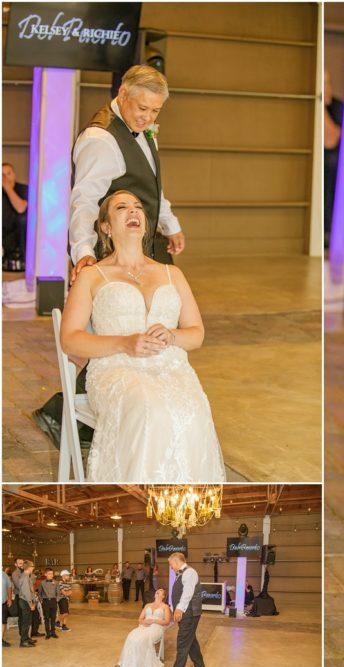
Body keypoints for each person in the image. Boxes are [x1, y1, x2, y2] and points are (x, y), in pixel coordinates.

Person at [33, 64, 186, 450]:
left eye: (155, 112)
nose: (148, 118)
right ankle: (66, 412)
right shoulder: (101, 139)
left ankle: (76, 412)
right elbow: (83, 201)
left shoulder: (141, 130)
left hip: (143, 245)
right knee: (109, 332)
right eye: (142, 109)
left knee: (140, 327)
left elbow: (153, 187)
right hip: (112, 249)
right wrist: (84, 253)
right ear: (122, 93)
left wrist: (169, 223)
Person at [59, 190, 225, 482]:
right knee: (151, 410)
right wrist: (124, 343)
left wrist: (172, 336)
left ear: (146, 224)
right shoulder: (92, 276)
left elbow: (196, 334)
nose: (133, 212)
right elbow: (70, 339)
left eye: (137, 208)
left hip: (171, 368)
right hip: (117, 368)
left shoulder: (172, 274)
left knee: (194, 412)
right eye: (122, 208)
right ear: (106, 227)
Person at [160, 553, 205, 667]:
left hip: (189, 613)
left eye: (171, 564)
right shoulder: (182, 573)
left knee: (182, 644)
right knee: (190, 639)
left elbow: (187, 593)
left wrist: (179, 609)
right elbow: (178, 593)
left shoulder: (190, 572)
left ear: (176, 561)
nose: (171, 567)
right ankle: (199, 663)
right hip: (186, 613)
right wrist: (173, 608)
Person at [118, 587, 172, 667]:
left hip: (156, 628)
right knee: (131, 637)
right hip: (144, 626)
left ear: (163, 596)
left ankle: (141, 665)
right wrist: (144, 622)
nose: (157, 593)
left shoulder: (165, 607)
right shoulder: (148, 605)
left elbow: (167, 622)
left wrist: (154, 621)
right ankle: (129, 666)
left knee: (140, 640)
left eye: (160, 592)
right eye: (156, 592)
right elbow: (140, 619)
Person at [323, 69, 343, 249]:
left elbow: (330, 141)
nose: (327, 88)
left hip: (334, 197)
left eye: (328, 82)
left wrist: (321, 106)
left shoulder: (338, 109)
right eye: (323, 83)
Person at [2, 162, 28, 271]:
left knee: (23, 219)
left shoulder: (23, 189)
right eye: (2, 175)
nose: (5, 178)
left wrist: (8, 188)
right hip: (4, 234)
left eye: (8, 174)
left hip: (20, 234)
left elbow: (21, 208)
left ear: (14, 175)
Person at [12, 560, 36, 648]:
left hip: (26, 601)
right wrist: (31, 604)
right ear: (29, 567)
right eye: (33, 567)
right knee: (25, 622)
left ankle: (26, 638)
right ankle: (23, 641)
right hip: (25, 601)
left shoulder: (26, 576)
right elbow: (26, 593)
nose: (33, 568)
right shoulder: (25, 577)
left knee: (28, 621)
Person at [39, 568, 60, 639]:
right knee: (46, 618)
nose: (51, 575)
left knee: (53, 618)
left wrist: (57, 600)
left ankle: (53, 632)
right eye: (49, 574)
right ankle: (47, 633)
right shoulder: (42, 583)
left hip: (53, 601)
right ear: (45, 574)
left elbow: (58, 593)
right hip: (45, 601)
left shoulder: (56, 582)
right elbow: (40, 593)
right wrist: (41, 600)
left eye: (52, 573)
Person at [2, 567, 12, 647]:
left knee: (3, 622)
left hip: (3, 603)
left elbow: (9, 587)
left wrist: (9, 599)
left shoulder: (4, 575)